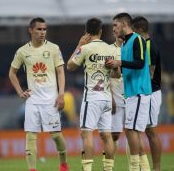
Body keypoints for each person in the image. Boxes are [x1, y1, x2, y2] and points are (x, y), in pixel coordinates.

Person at [9, 17, 69, 171]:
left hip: (51, 100)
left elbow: (60, 72)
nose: (42, 32)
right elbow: (12, 73)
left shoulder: (54, 48)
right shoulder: (22, 51)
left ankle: (63, 164)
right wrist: (20, 91)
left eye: (44, 29)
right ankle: (32, 169)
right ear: (31, 30)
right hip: (33, 100)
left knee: (56, 136)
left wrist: (61, 94)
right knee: (30, 136)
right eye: (39, 29)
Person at [67, 18, 119, 171]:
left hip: (92, 98)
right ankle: (108, 169)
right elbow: (116, 75)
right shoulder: (111, 49)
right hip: (106, 98)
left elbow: (70, 66)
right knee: (106, 136)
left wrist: (79, 45)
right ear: (101, 31)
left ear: (86, 32)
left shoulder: (85, 49)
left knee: (86, 133)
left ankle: (88, 169)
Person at [106, 13, 152, 171]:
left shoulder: (136, 39)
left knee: (131, 130)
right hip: (131, 92)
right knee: (134, 132)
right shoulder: (125, 45)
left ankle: (134, 168)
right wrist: (115, 68)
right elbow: (123, 72)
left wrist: (120, 62)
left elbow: (140, 63)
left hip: (139, 91)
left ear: (124, 24)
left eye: (115, 25)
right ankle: (144, 168)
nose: (113, 29)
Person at [132, 16, 162, 171]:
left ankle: (156, 168)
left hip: (151, 92)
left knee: (150, 131)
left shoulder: (149, 46)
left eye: (133, 30)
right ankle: (145, 166)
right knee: (135, 130)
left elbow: (149, 74)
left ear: (140, 30)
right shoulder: (144, 45)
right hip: (145, 92)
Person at [109, 35, 125, 157]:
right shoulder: (108, 50)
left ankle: (136, 166)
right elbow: (105, 77)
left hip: (132, 96)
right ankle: (109, 164)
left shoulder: (132, 49)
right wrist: (111, 98)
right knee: (114, 134)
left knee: (134, 132)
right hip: (116, 96)